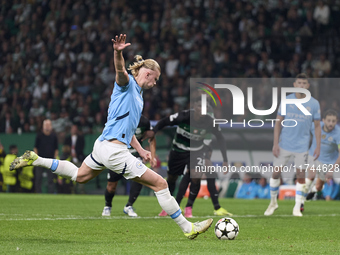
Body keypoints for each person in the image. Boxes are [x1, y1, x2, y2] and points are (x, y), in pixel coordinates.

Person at [10, 34, 212, 239]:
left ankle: (36, 160)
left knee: (80, 176)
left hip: (102, 145)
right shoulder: (127, 86)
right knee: (161, 184)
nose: (156, 84)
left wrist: (141, 150)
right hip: (115, 151)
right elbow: (120, 70)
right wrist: (117, 52)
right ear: (149, 73)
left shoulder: (139, 97)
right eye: (156, 79)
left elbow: (129, 129)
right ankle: (188, 228)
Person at [150, 100, 231, 218]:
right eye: (199, 106)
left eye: (205, 107)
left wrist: (225, 159)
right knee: (172, 178)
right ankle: (168, 207)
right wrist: (153, 132)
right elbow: (164, 121)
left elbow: (221, 138)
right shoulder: (184, 116)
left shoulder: (210, 122)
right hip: (178, 150)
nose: (202, 109)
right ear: (194, 107)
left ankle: (189, 208)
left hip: (196, 151)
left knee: (196, 176)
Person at [264, 73, 321, 217]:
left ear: (308, 86)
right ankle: (273, 203)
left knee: (301, 176)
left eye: (304, 83)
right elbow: (278, 123)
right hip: (284, 144)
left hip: (302, 147)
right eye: (299, 83)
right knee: (275, 173)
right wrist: (275, 143)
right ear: (294, 85)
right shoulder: (287, 100)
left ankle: (297, 206)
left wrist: (318, 146)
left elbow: (317, 127)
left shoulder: (314, 104)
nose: (301, 86)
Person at [102, 115, 156, 217]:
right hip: (118, 154)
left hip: (135, 155)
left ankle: (129, 206)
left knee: (139, 177)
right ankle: (107, 206)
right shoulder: (121, 118)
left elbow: (152, 137)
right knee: (111, 186)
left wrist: (152, 156)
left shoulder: (144, 121)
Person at [305, 110, 340, 202]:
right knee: (311, 175)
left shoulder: (338, 133)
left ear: (336, 121)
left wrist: (332, 169)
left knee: (319, 186)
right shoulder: (316, 126)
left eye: (333, 121)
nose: (331, 123)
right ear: (323, 120)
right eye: (329, 120)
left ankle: (313, 191)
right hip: (314, 156)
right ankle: (301, 200)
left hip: (328, 163)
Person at [33, 119, 59, 193]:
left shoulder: (54, 136)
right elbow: (35, 147)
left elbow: (56, 149)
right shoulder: (39, 135)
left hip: (50, 160)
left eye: (49, 125)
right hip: (40, 160)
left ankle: (51, 193)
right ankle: (38, 193)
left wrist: (54, 158)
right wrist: (37, 158)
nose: (47, 127)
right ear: (43, 126)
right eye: (46, 125)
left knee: (51, 178)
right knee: (38, 178)